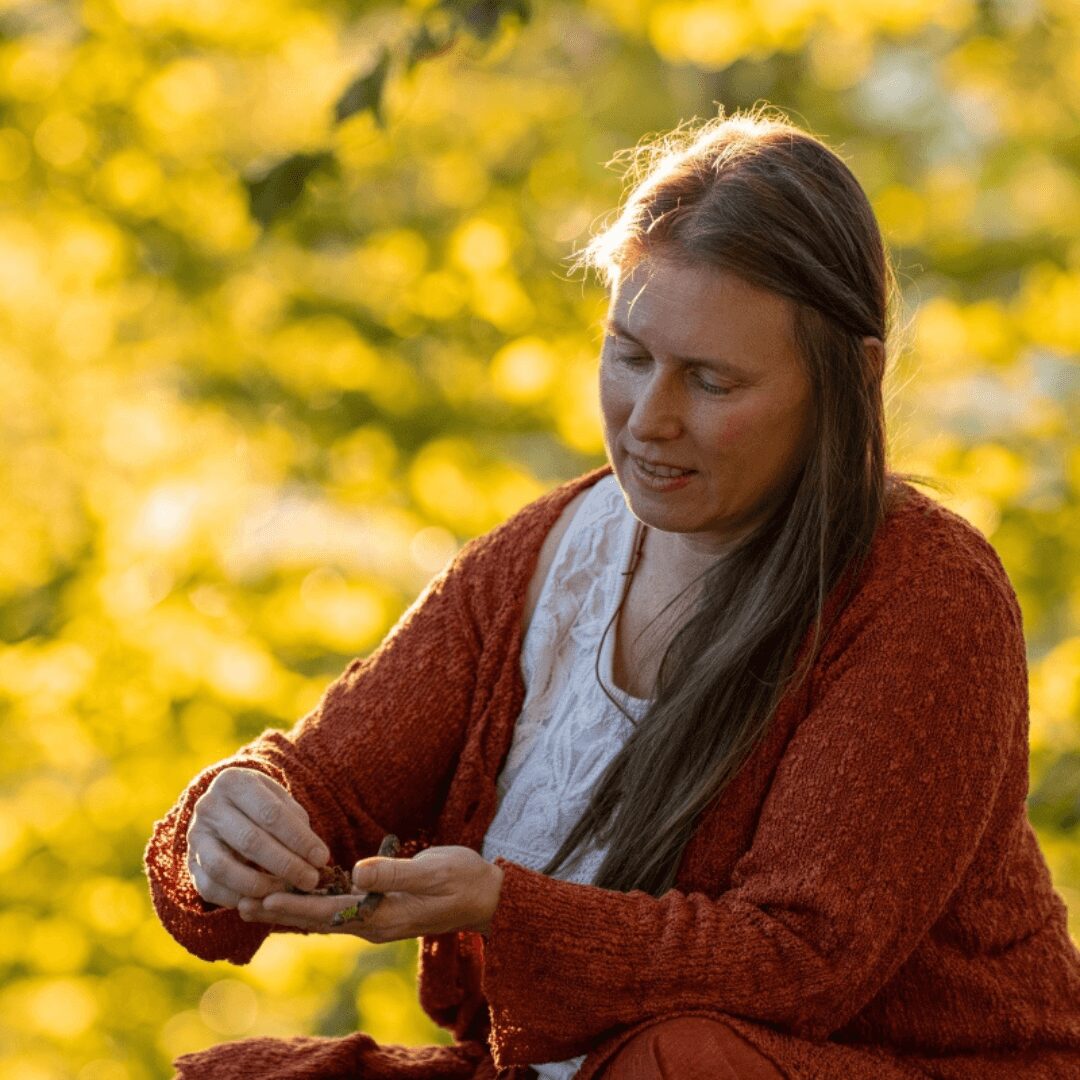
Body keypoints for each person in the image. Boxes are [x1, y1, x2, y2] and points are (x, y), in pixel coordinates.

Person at [144, 107, 1080, 1080]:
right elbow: (319, 781)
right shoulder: (547, 559)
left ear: (851, 379)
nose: (650, 418)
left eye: (712, 382)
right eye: (630, 355)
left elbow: (800, 963)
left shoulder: (928, 597)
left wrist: (503, 907)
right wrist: (232, 821)